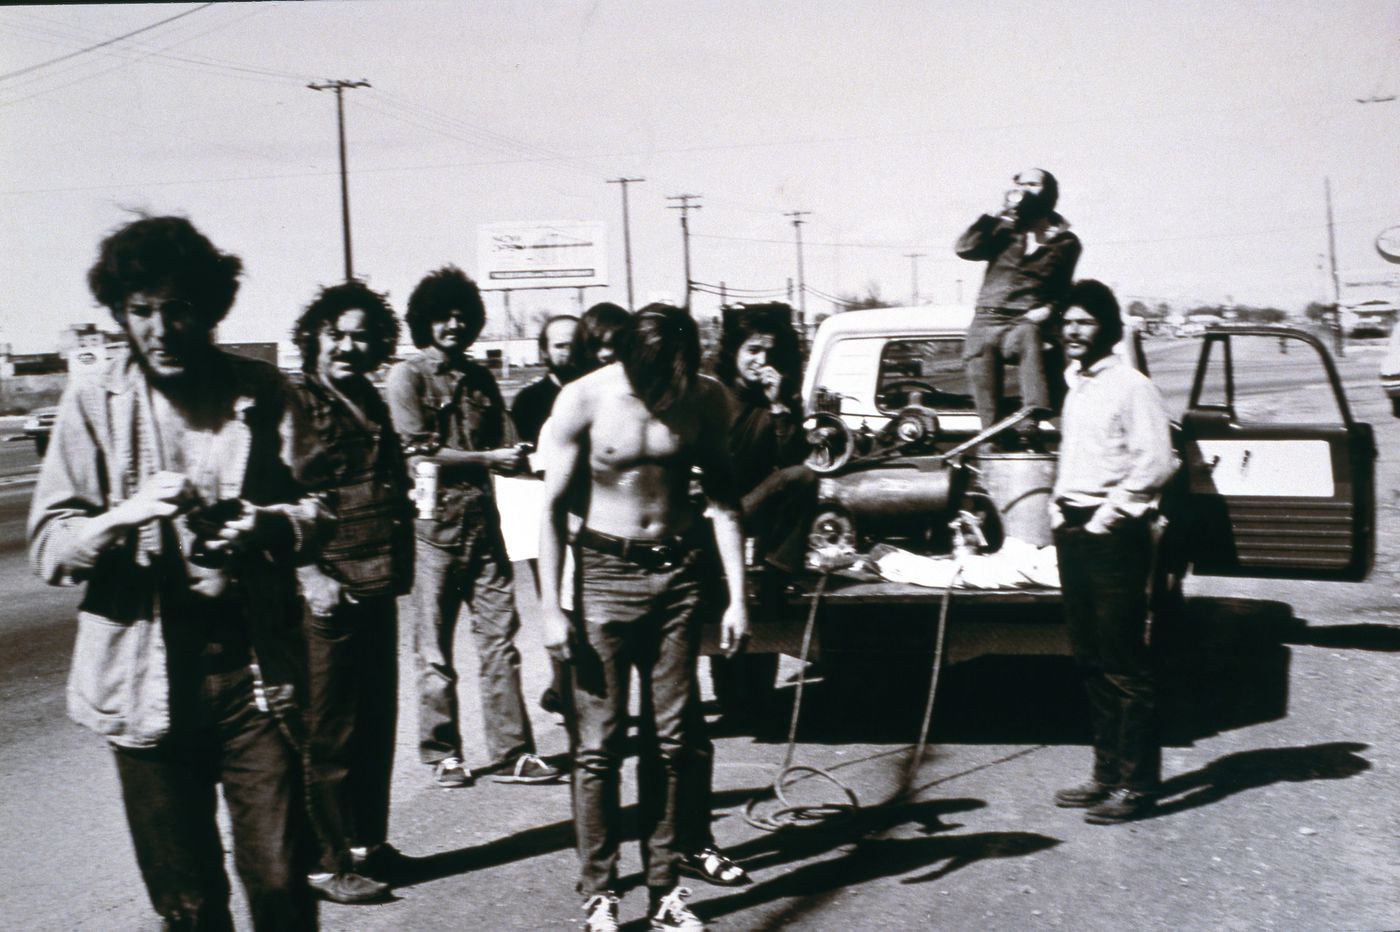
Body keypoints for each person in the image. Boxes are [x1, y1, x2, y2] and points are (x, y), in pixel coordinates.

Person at [29, 216, 321, 930]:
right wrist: (124, 515)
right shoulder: (93, 400)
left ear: (211, 308)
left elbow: (321, 513)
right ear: (121, 313)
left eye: (178, 309)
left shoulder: (262, 393)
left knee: (282, 884)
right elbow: (49, 548)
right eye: (141, 311)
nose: (159, 329)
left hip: (253, 675)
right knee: (187, 903)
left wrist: (268, 524)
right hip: (143, 683)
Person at [539, 304, 748, 932]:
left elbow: (725, 500)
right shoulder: (584, 401)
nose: (665, 392)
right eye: (655, 377)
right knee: (599, 746)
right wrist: (551, 607)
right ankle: (600, 891)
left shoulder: (704, 399)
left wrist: (739, 597)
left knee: (674, 740)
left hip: (680, 575)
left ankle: (665, 893)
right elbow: (548, 511)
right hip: (604, 574)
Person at [385, 266, 561, 787]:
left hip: (484, 526)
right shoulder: (407, 377)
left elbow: (508, 440)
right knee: (434, 650)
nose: (454, 325)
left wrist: (520, 453)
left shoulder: (480, 377)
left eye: (463, 316)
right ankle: (442, 752)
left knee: (499, 641)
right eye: (443, 316)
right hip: (431, 531)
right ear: (424, 322)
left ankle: (514, 753)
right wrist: (489, 457)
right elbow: (418, 453)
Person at [287, 282, 414, 903]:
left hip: (378, 581)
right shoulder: (296, 402)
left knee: (374, 722)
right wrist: (311, 576)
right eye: (336, 333)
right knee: (328, 731)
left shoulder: (369, 395)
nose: (348, 345)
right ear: (313, 334)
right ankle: (323, 859)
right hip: (329, 589)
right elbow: (281, 496)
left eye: (361, 335)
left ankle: (368, 843)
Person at [1049, 280, 1178, 825]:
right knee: (1090, 659)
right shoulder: (1074, 383)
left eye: (1085, 322)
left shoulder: (1132, 385)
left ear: (1107, 327)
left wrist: (1110, 514)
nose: (1073, 332)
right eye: (1067, 322)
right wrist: (1060, 508)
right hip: (1074, 530)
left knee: (1125, 663)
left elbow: (1156, 462)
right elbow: (1077, 453)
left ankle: (1138, 785)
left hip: (1113, 534)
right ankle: (1105, 775)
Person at [956, 168, 1082, 447]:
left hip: (1023, 321)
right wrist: (990, 216)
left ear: (1049, 192)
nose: (1025, 189)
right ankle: (993, 453)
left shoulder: (1066, 241)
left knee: (1030, 335)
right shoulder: (1003, 229)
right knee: (988, 413)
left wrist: (1050, 309)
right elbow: (965, 249)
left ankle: (1032, 417)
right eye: (1020, 184)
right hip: (986, 321)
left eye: (1033, 184)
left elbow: (1065, 289)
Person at [510, 314, 579, 447]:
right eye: (560, 346)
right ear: (544, 352)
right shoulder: (528, 401)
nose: (569, 352)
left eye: (576, 344)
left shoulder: (602, 393)